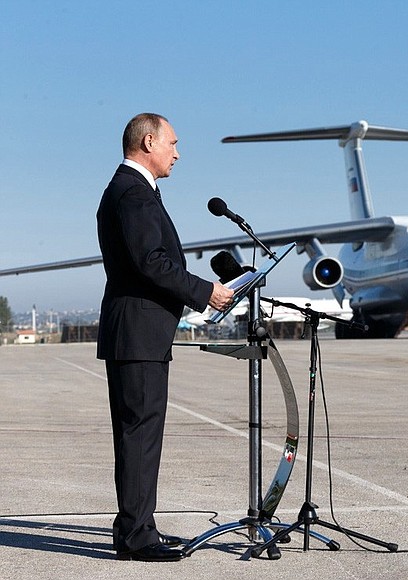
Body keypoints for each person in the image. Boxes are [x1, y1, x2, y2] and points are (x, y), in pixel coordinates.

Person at [97, 113, 234, 562]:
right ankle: (136, 538)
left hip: (139, 334)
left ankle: (139, 528)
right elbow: (150, 261)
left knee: (140, 434)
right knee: (140, 434)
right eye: (173, 143)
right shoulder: (133, 194)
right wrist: (204, 292)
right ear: (148, 141)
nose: (177, 153)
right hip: (136, 334)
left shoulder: (132, 190)